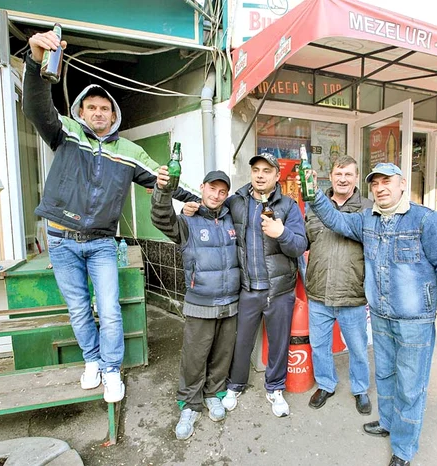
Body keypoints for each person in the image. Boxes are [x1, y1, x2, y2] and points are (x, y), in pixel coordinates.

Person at [24, 30, 199, 403]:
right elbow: (36, 107)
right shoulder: (66, 134)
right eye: (92, 108)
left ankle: (111, 369)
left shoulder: (129, 151)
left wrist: (202, 199)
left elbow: (162, 177)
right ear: (82, 112)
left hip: (102, 243)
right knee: (78, 309)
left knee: (110, 311)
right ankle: (92, 361)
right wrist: (35, 61)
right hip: (60, 239)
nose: (99, 113)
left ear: (113, 115)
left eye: (105, 109)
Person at [307, 162, 437, 466]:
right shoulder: (367, 220)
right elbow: (335, 220)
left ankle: (404, 449)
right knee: (384, 376)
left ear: (402, 184)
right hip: (381, 317)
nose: (381, 188)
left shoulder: (427, 221)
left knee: (410, 387)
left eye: (387, 182)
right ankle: (388, 423)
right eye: (376, 184)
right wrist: (314, 194)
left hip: (415, 323)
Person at [151, 168, 240, 440]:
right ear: (201, 188)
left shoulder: (231, 219)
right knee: (195, 356)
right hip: (200, 301)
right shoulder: (187, 221)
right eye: (212, 189)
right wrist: (163, 190)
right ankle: (189, 404)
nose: (217, 195)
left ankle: (214, 393)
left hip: (230, 302)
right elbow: (160, 218)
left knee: (222, 354)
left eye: (222, 191)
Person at [219, 153, 308, 417]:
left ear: (276, 176)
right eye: (256, 170)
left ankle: (275, 388)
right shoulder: (236, 202)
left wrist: (282, 234)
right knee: (241, 341)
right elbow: (211, 209)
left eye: (266, 171)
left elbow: (300, 246)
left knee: (279, 343)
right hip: (248, 288)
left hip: (279, 290)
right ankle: (235, 385)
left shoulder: (289, 206)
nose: (260, 175)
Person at [304, 156, 373, 414]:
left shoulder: (367, 208)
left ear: (356, 178)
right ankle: (326, 384)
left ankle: (360, 389)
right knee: (319, 345)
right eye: (338, 174)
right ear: (330, 176)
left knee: (357, 347)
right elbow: (305, 241)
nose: (342, 179)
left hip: (352, 293)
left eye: (348, 174)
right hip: (318, 291)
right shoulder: (313, 207)